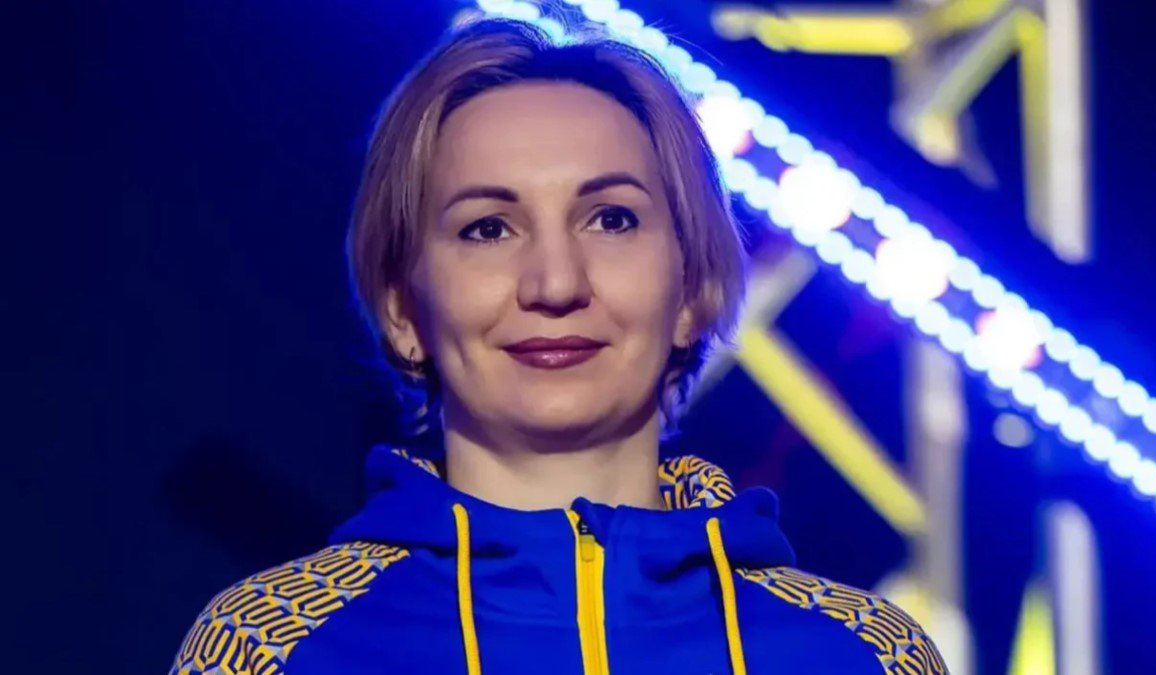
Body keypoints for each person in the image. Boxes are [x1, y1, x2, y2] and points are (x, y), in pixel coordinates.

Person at [169, 18, 947, 675]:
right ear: (402, 309)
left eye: (611, 219)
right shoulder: (269, 647)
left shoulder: (864, 654)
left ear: (695, 288)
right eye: (488, 228)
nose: (555, 281)